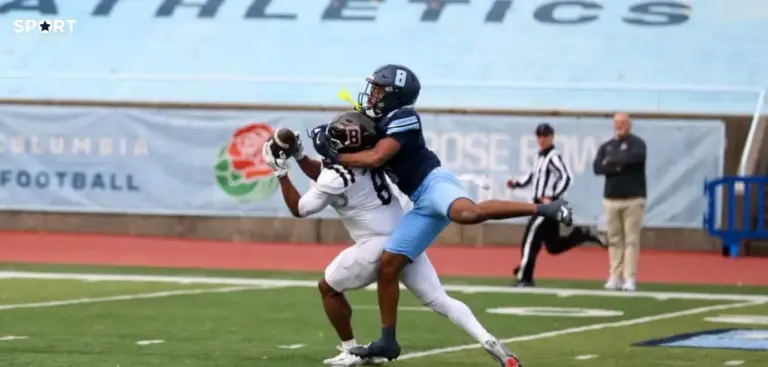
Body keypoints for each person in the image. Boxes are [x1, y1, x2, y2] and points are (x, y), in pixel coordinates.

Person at [313, 64, 573, 365]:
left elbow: (376, 157)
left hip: (434, 184)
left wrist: (333, 154)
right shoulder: (380, 117)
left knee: (468, 213)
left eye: (380, 89)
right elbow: (359, 138)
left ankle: (546, 208)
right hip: (419, 203)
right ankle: (387, 341)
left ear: (395, 95)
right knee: (388, 266)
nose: (373, 94)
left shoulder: (404, 117)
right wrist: (333, 135)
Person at [264, 110, 527, 367]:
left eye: (334, 138)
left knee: (328, 288)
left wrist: (281, 173)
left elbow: (301, 208)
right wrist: (298, 156)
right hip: (404, 236)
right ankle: (488, 340)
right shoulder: (365, 159)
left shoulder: (335, 175)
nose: (327, 140)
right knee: (440, 300)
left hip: (375, 243)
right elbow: (325, 170)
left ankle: (349, 350)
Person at [508, 123, 605, 287]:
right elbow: (532, 177)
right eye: (539, 136)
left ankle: (525, 277)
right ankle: (579, 235)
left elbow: (567, 177)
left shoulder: (554, 156)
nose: (542, 139)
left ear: (551, 137)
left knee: (530, 239)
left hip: (547, 207)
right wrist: (516, 183)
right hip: (544, 205)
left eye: (545, 136)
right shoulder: (539, 157)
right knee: (552, 246)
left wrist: (553, 197)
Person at [593, 113, 647, 292]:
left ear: (629, 125)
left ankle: (629, 277)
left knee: (631, 240)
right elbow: (597, 167)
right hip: (611, 198)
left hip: (633, 198)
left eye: (623, 122)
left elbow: (634, 159)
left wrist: (613, 163)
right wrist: (617, 165)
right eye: (617, 123)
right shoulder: (607, 146)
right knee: (615, 240)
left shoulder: (637, 144)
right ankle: (615, 275)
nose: (620, 126)